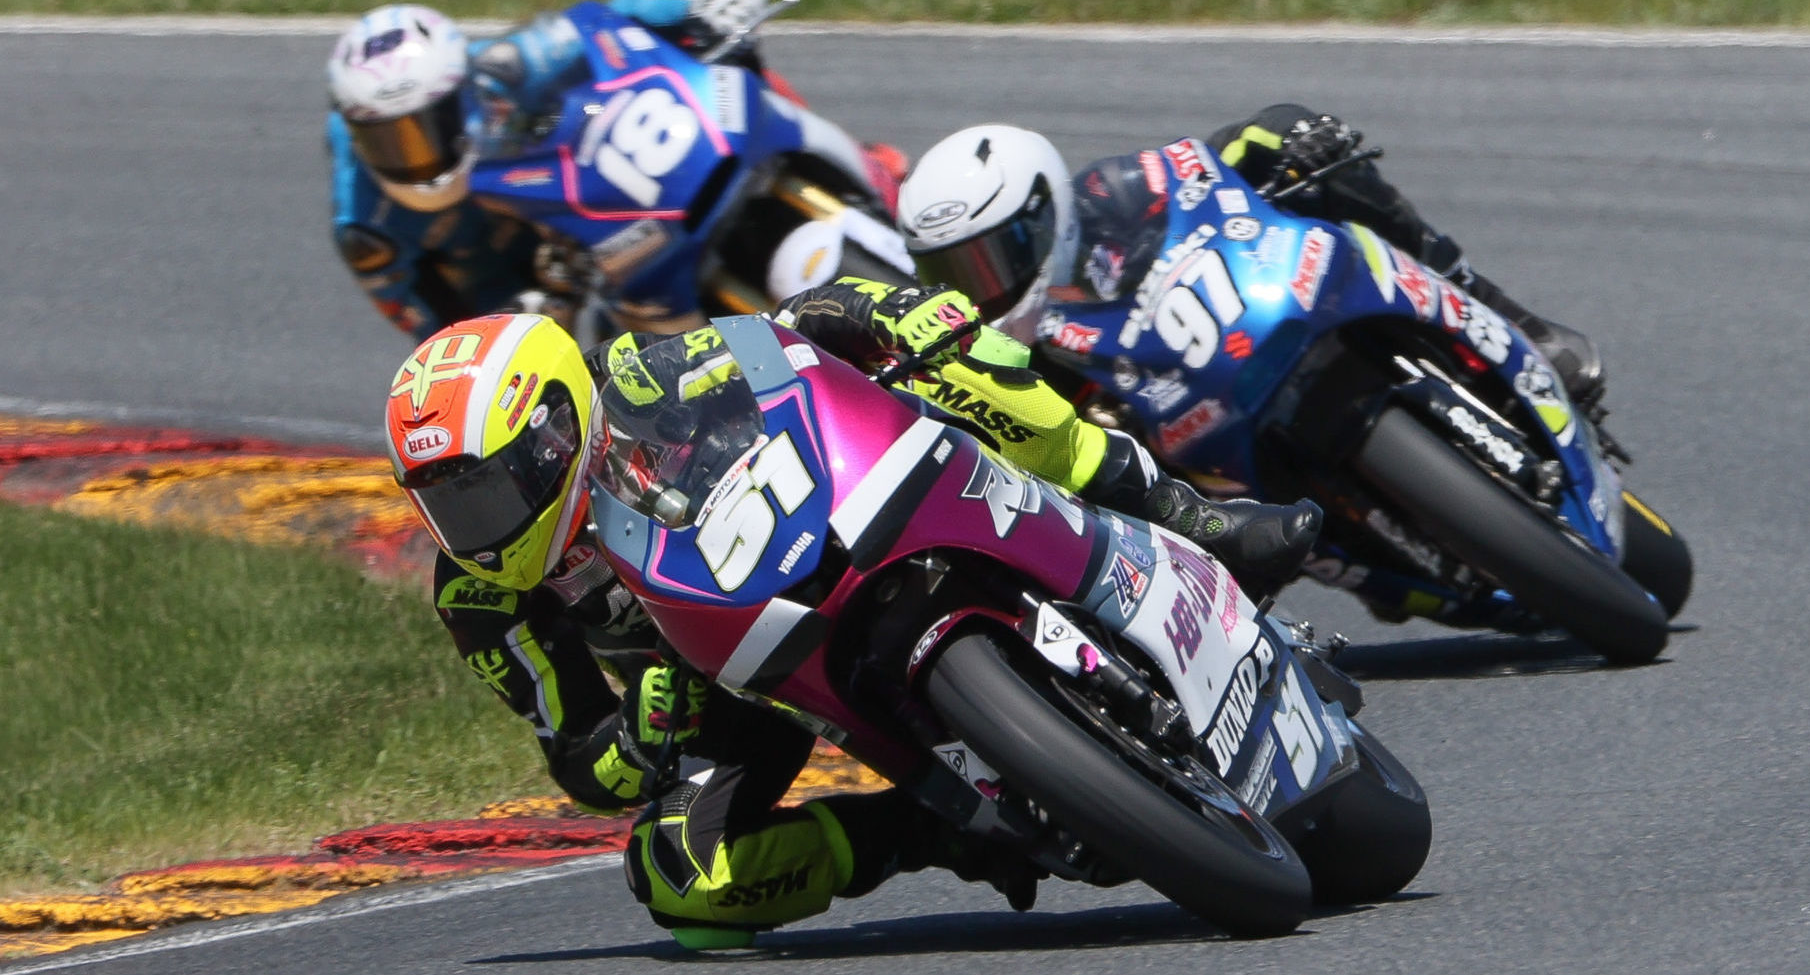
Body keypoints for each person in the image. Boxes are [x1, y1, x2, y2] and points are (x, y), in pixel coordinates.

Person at [383, 277, 1321, 947]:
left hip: (830, 515)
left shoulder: (633, 377)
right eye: (451, 502)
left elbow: (766, 341)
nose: (482, 521)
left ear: (556, 425)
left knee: (948, 363)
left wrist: (866, 312)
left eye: (495, 484)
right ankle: (935, 830)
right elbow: (583, 762)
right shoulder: (479, 593)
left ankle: (1188, 515)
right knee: (683, 880)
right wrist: (644, 724)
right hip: (723, 677)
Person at [892, 109, 1605, 407]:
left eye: (991, 261)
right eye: (957, 275)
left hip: (1253, 312)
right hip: (1210, 469)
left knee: (1297, 140)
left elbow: (1214, 156)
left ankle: (1515, 319)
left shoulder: (1111, 192)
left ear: (1046, 211)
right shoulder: (1014, 373)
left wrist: (1296, 143)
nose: (984, 291)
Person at [327, 0, 907, 342]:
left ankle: (860, 163)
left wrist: (700, 5)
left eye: (421, 128)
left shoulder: (486, 76)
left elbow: (610, 16)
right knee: (630, 403)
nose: (410, 153)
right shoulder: (367, 226)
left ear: (456, 94)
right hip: (541, 290)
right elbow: (432, 333)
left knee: (738, 72)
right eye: (386, 138)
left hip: (614, 197)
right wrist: (506, 323)